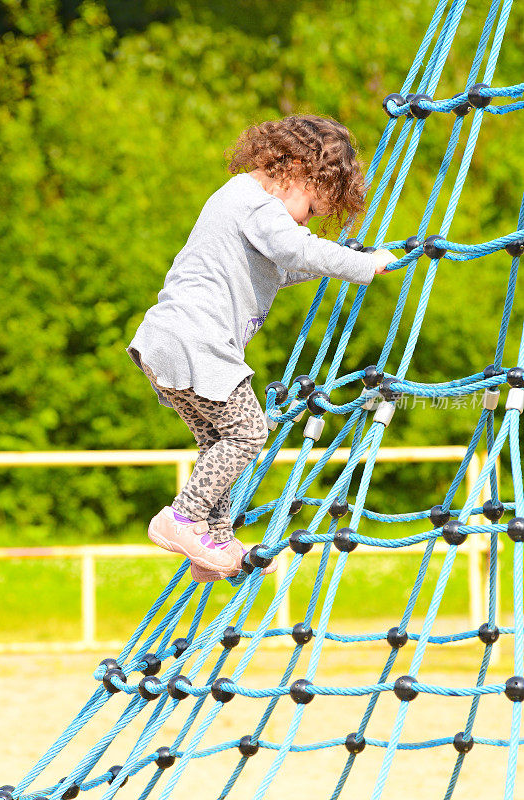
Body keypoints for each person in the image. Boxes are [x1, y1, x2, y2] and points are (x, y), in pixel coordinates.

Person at [127, 114, 397, 583]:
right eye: (313, 209)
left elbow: (285, 267)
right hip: (196, 339)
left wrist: (338, 261)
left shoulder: (242, 202)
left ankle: (213, 540)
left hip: (168, 341)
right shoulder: (255, 204)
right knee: (249, 431)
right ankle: (183, 518)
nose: (309, 221)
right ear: (297, 169)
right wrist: (362, 263)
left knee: (218, 439)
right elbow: (299, 251)